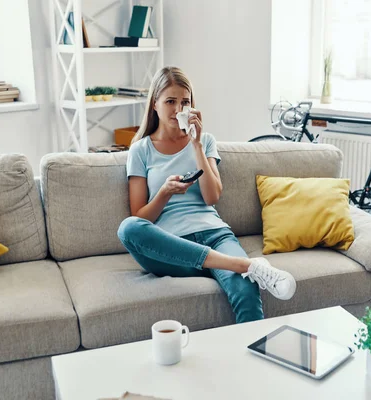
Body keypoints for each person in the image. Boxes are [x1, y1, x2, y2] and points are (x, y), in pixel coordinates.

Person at [117, 66, 297, 324]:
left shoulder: (206, 141)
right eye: (170, 101)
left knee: (246, 292)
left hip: (215, 235)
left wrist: (197, 144)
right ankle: (245, 266)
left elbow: (212, 197)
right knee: (128, 228)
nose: (179, 109)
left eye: (185, 102)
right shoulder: (141, 150)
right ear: (155, 104)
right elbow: (140, 216)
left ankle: (253, 360)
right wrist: (164, 193)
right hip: (174, 248)